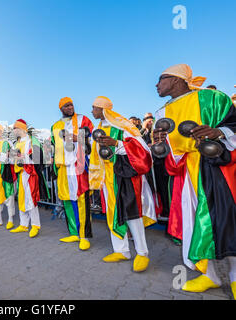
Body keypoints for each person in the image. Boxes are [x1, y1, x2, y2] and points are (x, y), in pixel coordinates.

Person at [153, 63, 236, 297]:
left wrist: (218, 133)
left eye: (161, 79)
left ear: (178, 80)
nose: (157, 85)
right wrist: (162, 142)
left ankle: (235, 277)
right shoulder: (162, 112)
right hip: (186, 174)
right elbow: (167, 149)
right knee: (195, 223)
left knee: (226, 220)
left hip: (218, 167)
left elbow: (233, 124)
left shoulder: (213, 98)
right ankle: (209, 275)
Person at [89, 96, 156, 272]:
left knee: (132, 213)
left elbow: (141, 149)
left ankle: (142, 253)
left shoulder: (122, 124)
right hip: (107, 178)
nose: (91, 111)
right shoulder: (98, 128)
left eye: (94, 108)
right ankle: (121, 250)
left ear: (102, 109)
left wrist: (116, 143)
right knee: (112, 214)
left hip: (125, 176)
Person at [51, 97, 94, 250]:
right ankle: (74, 233)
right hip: (63, 166)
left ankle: (84, 235)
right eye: (66, 105)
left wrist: (78, 138)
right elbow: (53, 144)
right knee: (68, 200)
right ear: (61, 108)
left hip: (78, 164)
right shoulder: (55, 126)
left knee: (81, 199)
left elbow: (93, 136)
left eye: (71, 104)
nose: (70, 107)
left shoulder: (83, 119)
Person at [10, 119, 48, 238]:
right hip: (21, 174)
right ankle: (23, 224)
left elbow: (38, 158)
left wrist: (23, 157)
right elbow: (12, 160)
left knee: (31, 199)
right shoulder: (16, 143)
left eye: (15, 128)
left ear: (21, 129)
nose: (14, 131)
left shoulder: (32, 141)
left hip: (31, 174)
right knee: (21, 199)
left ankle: (35, 225)